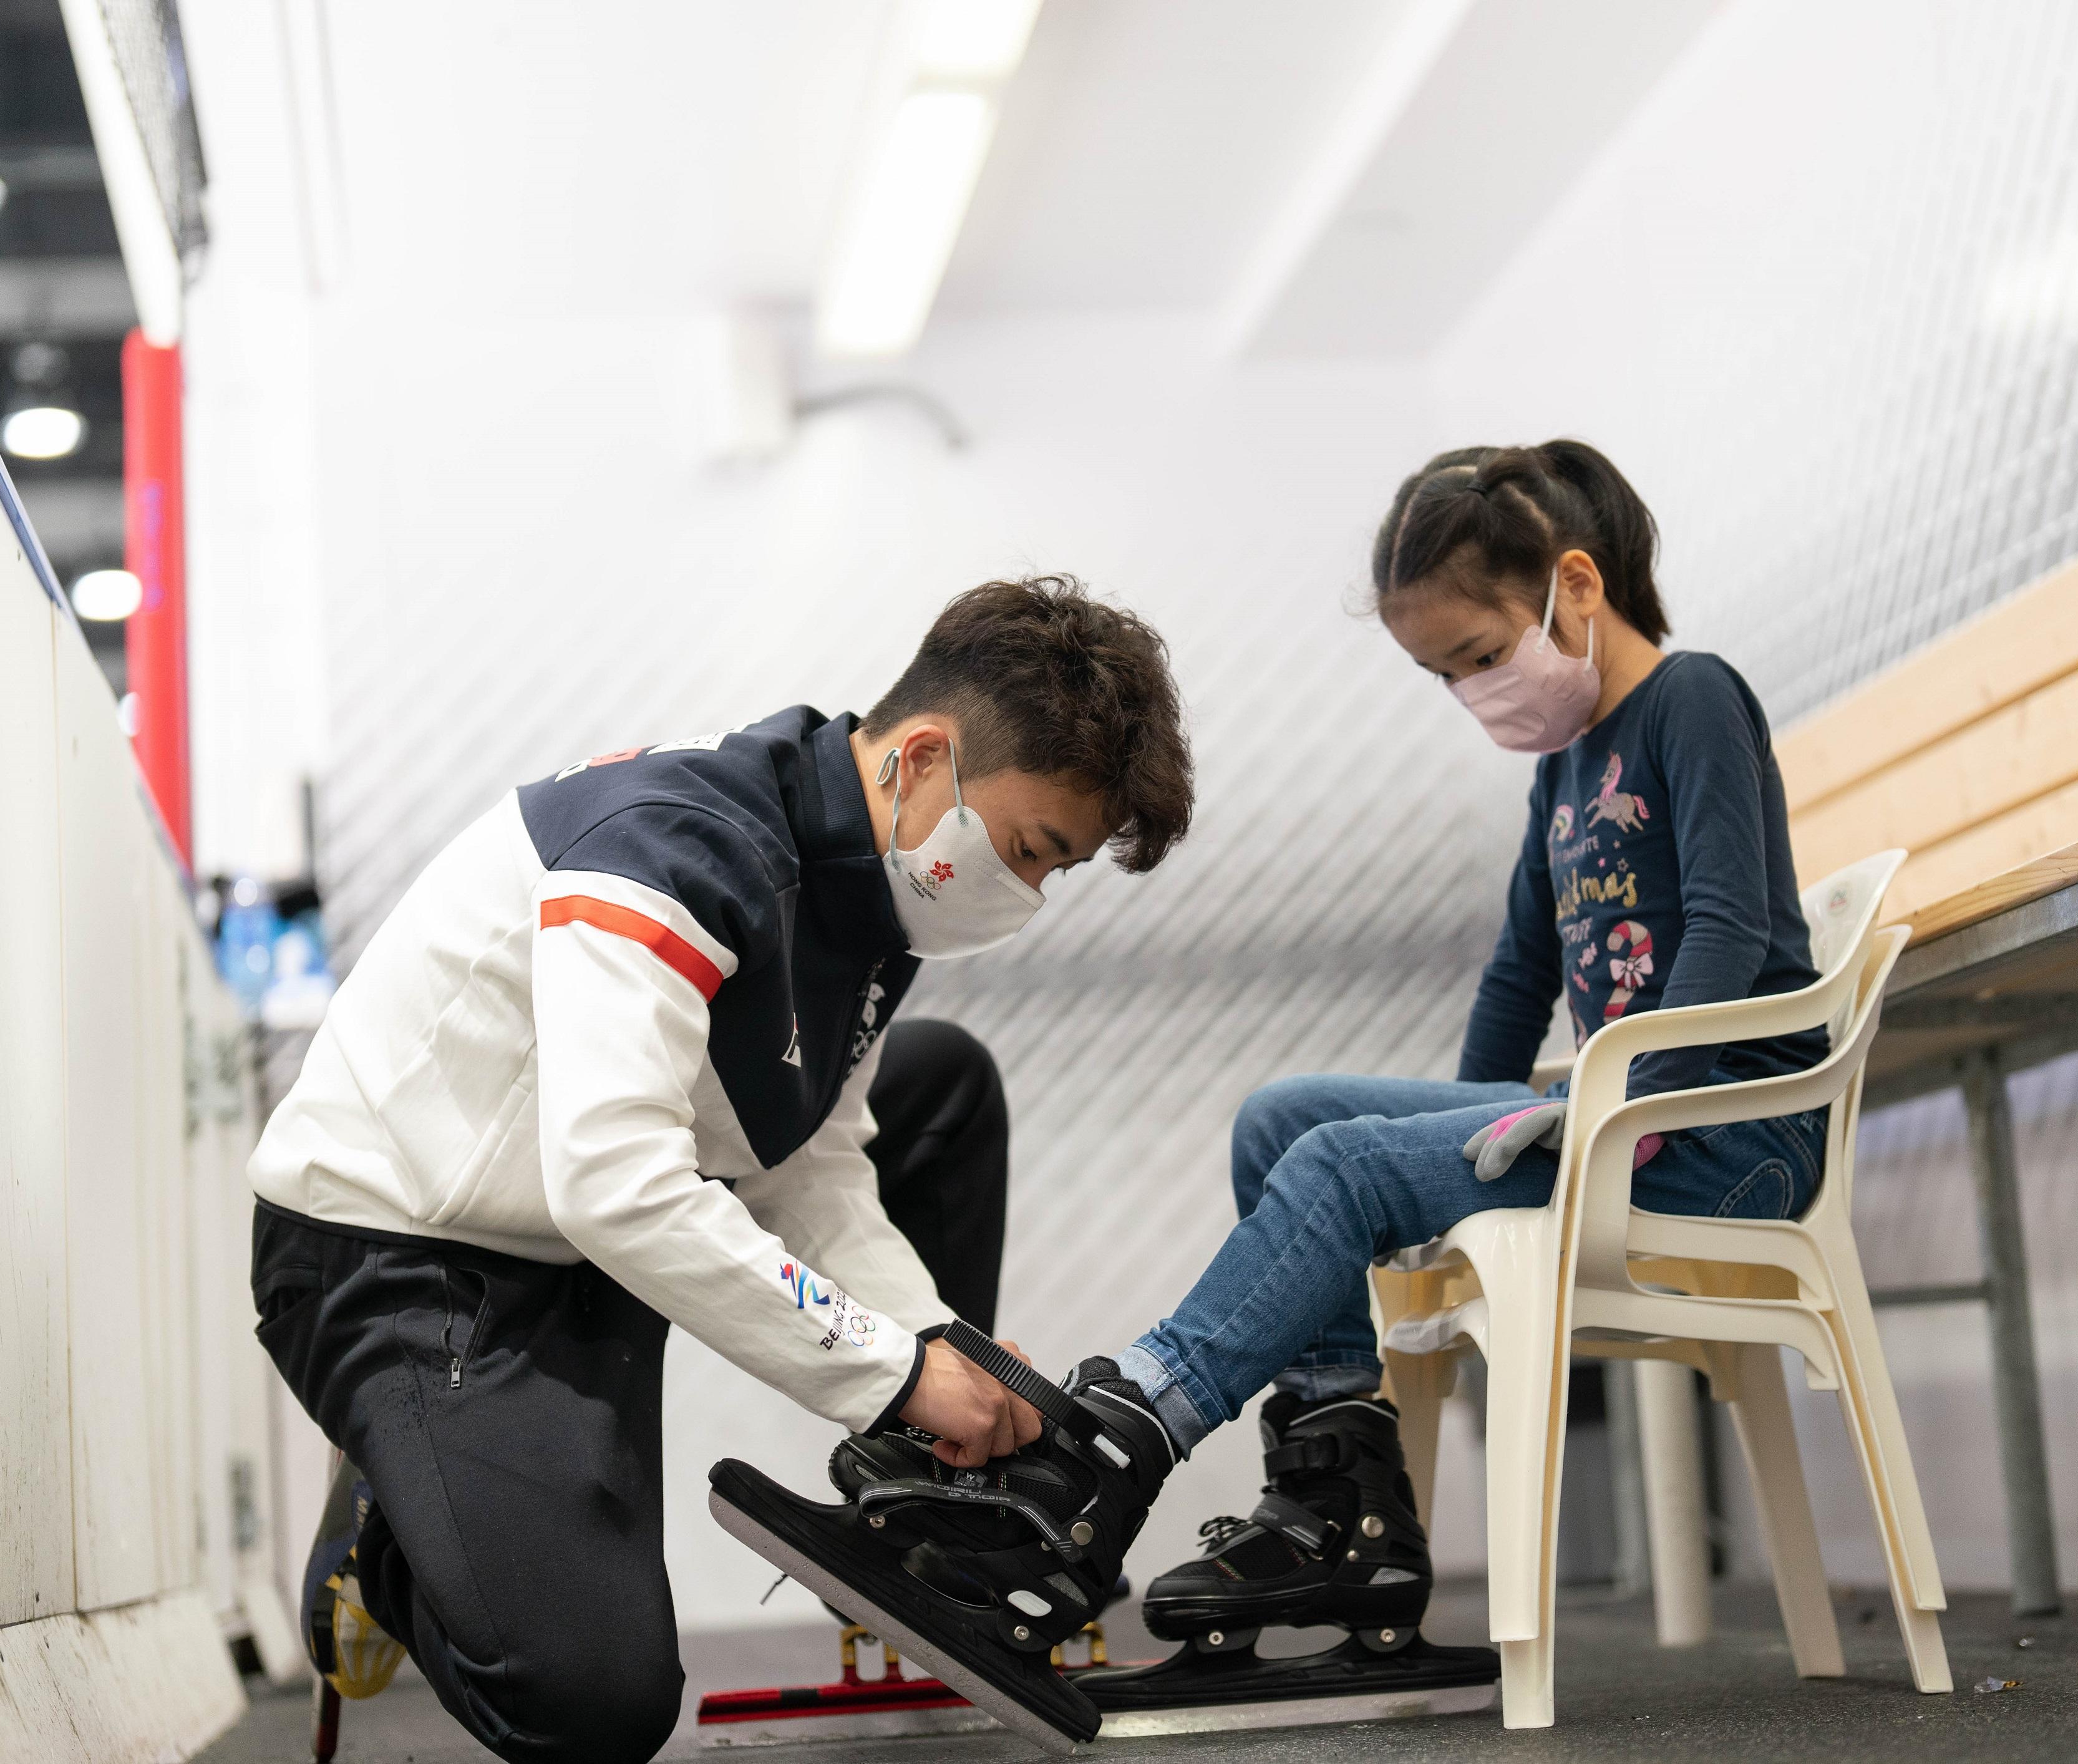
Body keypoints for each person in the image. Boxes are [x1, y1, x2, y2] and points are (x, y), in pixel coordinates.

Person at [734, 440, 1831, 1748]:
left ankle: (1113, 1447)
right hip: (1619, 1119)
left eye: (1479, 654)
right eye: (1445, 676)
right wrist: (1470, 1125)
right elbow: (1519, 971)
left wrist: (1606, 1097)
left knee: (1347, 1170)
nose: (1472, 690)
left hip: (1719, 1134)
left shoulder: (1692, 701)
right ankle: (1338, 1507)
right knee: (1289, 1120)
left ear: (1575, 586)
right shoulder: (1565, 767)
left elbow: (1717, 931)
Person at [249, 576, 1192, 1764]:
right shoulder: (668, 849)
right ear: (921, 759)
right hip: (408, 1256)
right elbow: (616, 1185)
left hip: (587, 1230)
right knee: (593, 1708)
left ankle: (936, 1517)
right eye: (1028, 849)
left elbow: (815, 1163)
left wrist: (943, 1347)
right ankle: (387, 1531)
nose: (1030, 894)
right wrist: (887, 1372)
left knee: (936, 1087)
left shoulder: (862, 883)